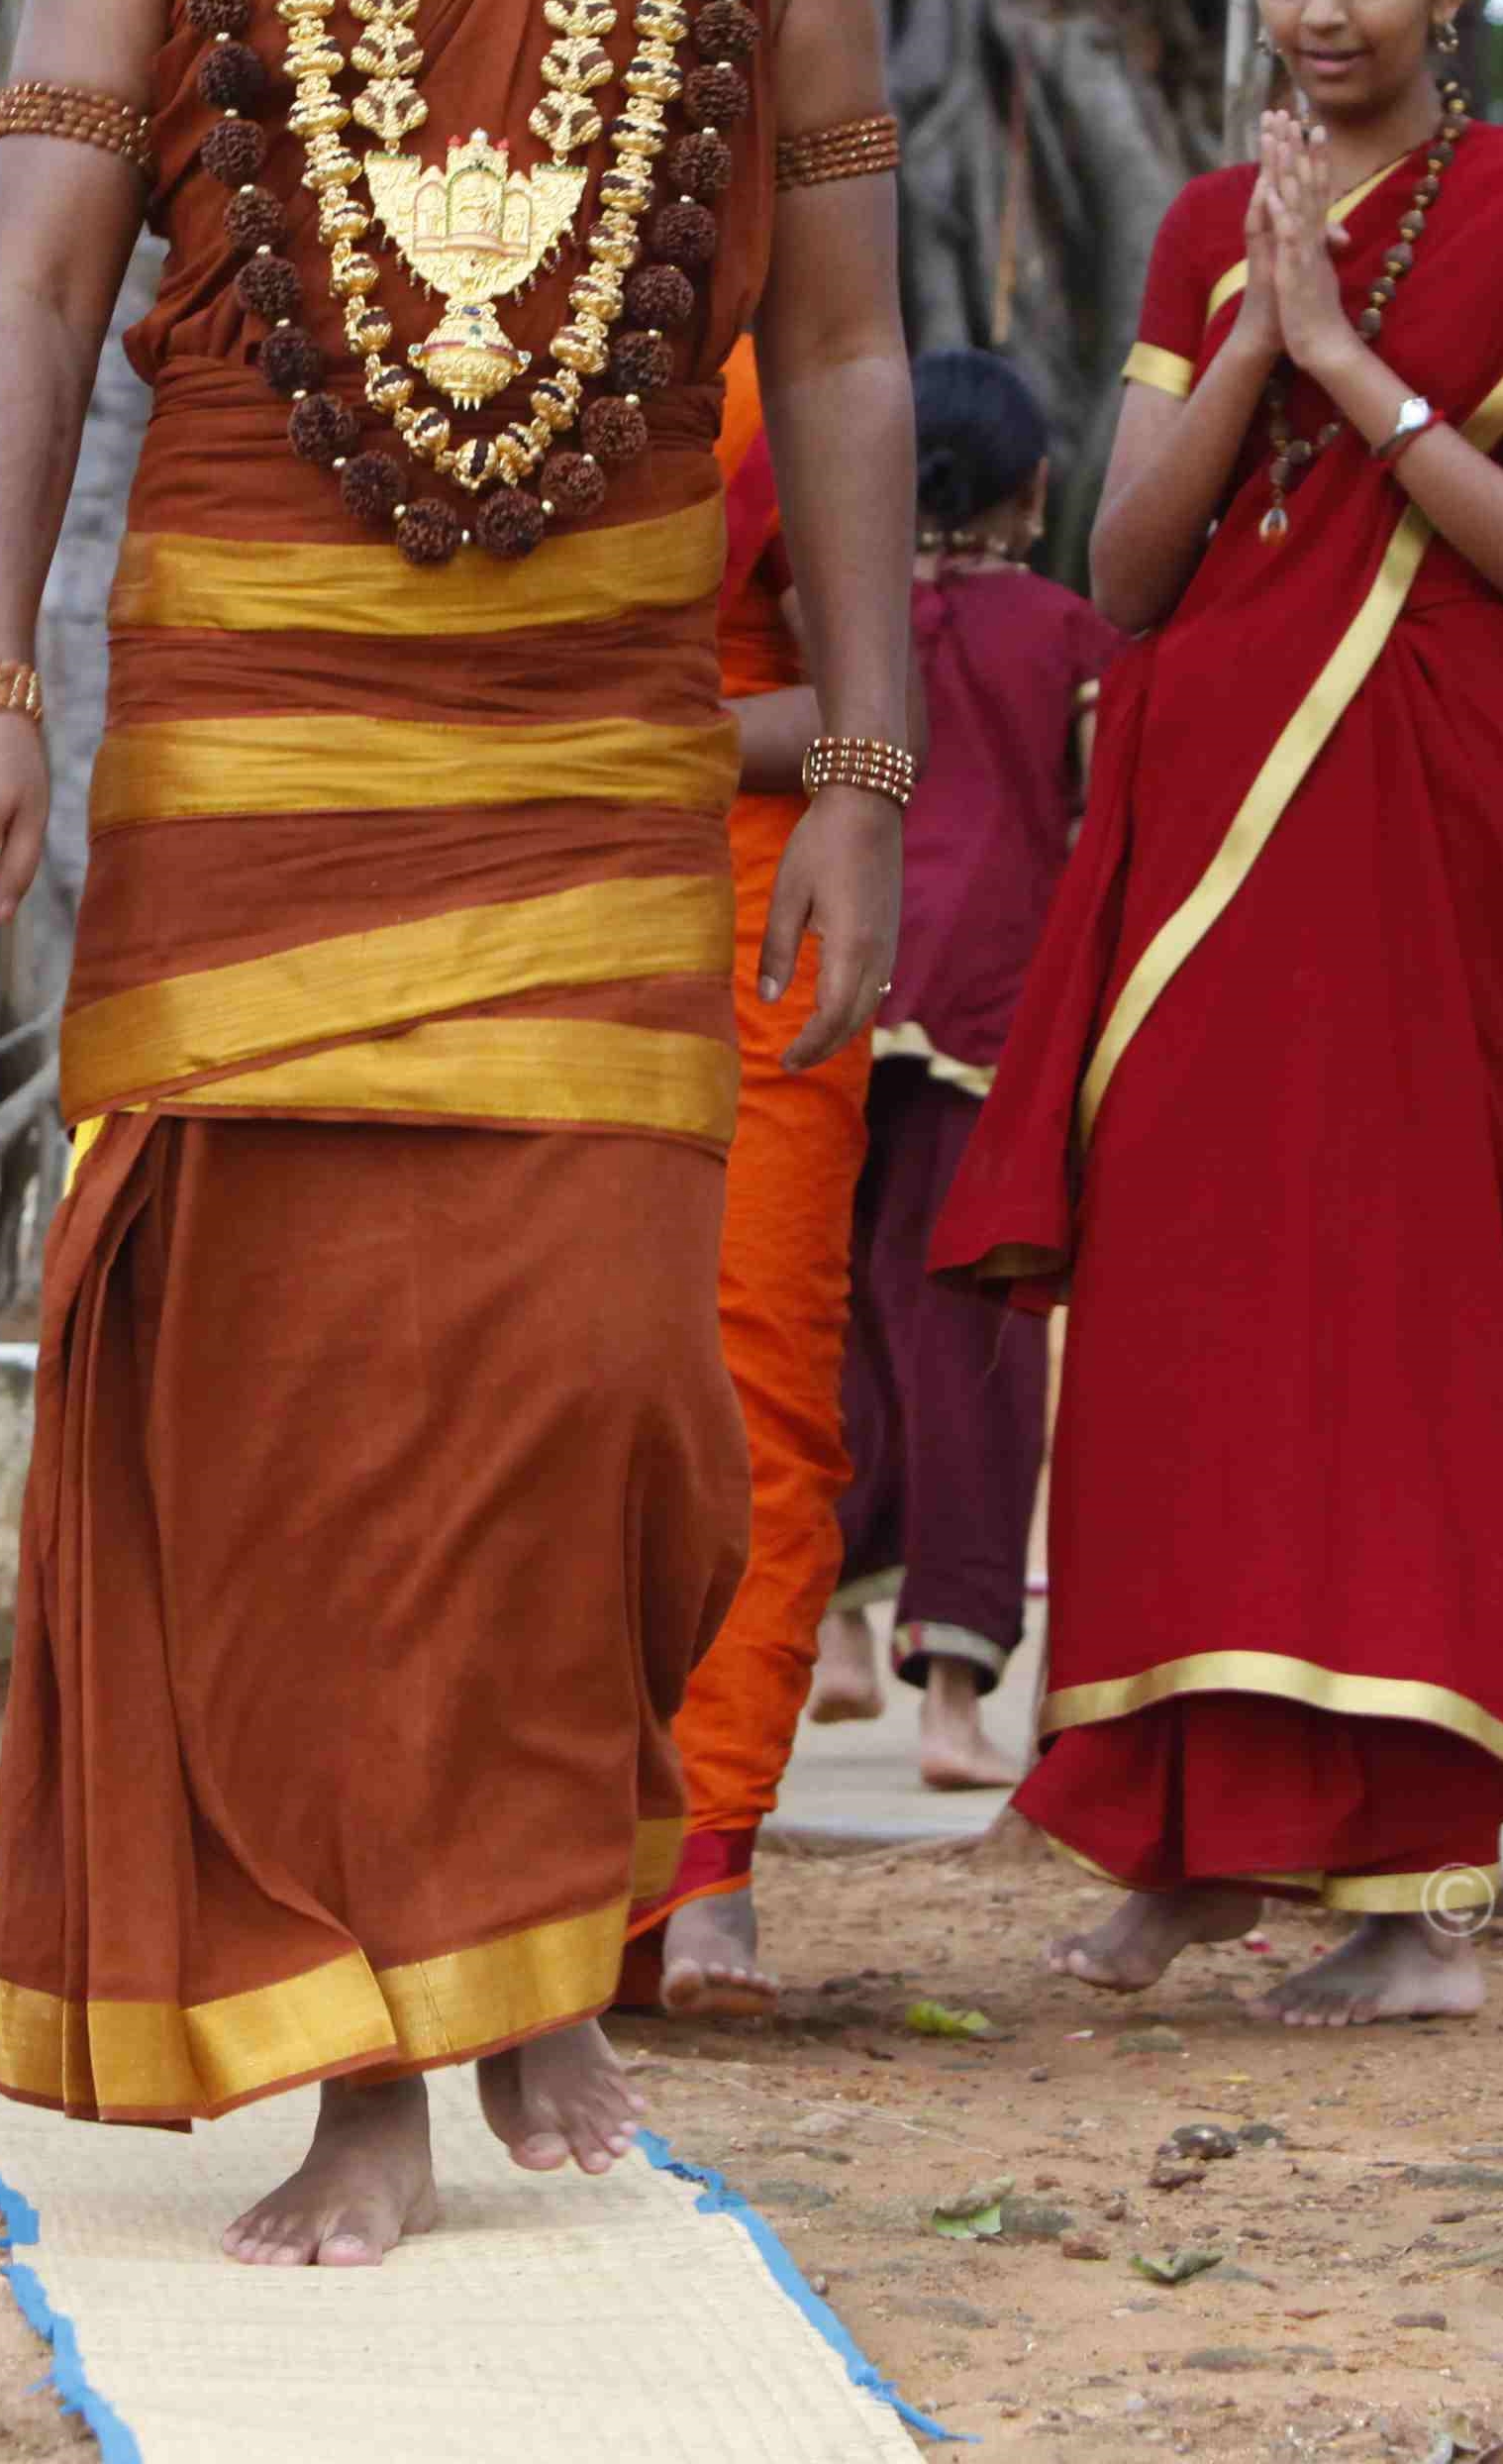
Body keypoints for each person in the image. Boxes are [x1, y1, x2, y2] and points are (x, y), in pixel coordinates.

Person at [0, 0, 916, 2264]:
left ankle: (539, 1917)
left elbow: (850, 358)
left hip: (594, 747)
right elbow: (27, 295)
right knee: (300, 1411)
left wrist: (864, 759)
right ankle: (367, 2048)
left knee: (601, 1398)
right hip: (254, 746)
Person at [934, 0, 1503, 2027]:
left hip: (1428, 848)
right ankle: (1186, 1844)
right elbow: (1127, 568)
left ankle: (1410, 1900)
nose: (1325, 10)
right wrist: (1264, 326)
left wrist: (1354, 361)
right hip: (1202, 860)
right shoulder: (1206, 229)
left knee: (1399, 1324)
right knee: (1184, 1319)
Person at [825, 349, 1118, 1796]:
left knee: (834, 1320)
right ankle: (950, 1701)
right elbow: (1104, 828)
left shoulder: (840, 620)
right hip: (996, 1024)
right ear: (1035, 492)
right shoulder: (1070, 636)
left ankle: (831, 1627)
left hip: (834, 997)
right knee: (978, 1354)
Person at [636, 338, 869, 2015]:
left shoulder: (779, 381)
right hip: (507, 893)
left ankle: (705, 1856)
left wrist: (618, 743)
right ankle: (523, 1860)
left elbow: (862, 716)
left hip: (745, 915)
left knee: (747, 1381)